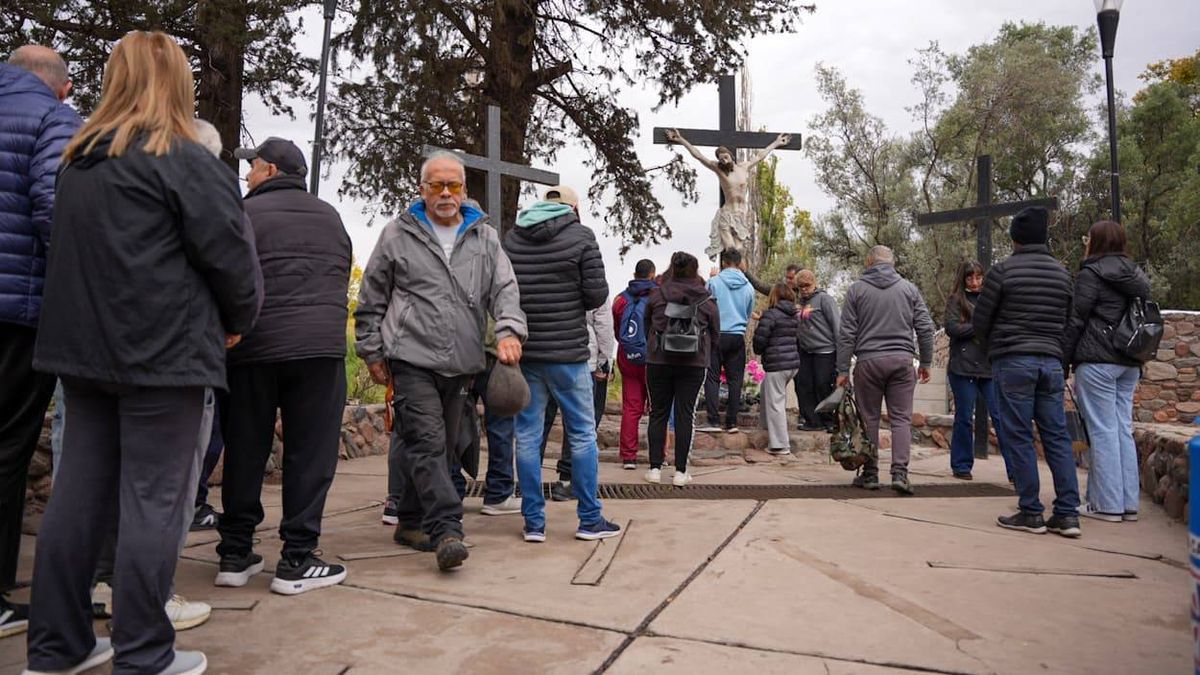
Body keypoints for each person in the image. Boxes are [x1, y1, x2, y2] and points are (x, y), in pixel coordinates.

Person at [26, 31, 261, 674]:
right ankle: (144, 654)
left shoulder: (78, 162)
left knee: (76, 498)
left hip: (83, 354)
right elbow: (234, 261)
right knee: (155, 502)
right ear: (177, 84)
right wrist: (237, 320)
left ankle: (55, 649)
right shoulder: (185, 159)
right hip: (163, 356)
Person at [356, 151, 526, 569]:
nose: (446, 193)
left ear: (465, 190)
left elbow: (505, 289)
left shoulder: (484, 238)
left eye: (453, 185)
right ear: (422, 190)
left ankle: (410, 521)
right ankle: (447, 528)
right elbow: (372, 296)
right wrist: (371, 350)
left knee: (444, 447)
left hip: (463, 362)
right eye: (437, 185)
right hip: (411, 357)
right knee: (429, 443)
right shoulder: (398, 234)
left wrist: (508, 330)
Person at [213, 136, 352, 596]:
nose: (248, 174)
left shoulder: (244, 213)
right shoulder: (330, 216)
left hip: (251, 349)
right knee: (309, 453)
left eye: (252, 166)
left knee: (245, 448)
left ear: (271, 171)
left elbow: (225, 273)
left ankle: (234, 555)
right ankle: (296, 557)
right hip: (317, 351)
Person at [0, 44, 82, 638]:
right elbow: (58, 208)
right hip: (19, 309)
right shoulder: (56, 120)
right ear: (61, 86)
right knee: (7, 448)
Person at [503, 185, 620, 544]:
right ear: (573, 208)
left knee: (527, 436)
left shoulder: (512, 239)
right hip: (569, 354)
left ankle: (534, 523)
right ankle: (589, 519)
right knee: (583, 434)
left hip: (527, 353)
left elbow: (505, 290)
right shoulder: (582, 236)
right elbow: (596, 295)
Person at [973, 206, 1080, 538]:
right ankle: (1067, 515)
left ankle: (1031, 511)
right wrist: (1059, 357)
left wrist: (994, 347)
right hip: (1050, 363)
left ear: (1015, 238)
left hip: (1013, 361)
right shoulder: (1063, 275)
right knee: (1057, 436)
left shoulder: (1003, 272)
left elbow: (981, 321)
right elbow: (1071, 323)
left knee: (1018, 435)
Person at [1064, 220, 1150, 523]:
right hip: (1129, 360)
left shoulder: (1092, 272)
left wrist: (1065, 359)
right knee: (1122, 429)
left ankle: (1106, 505)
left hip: (1098, 359)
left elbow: (1077, 318)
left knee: (1102, 431)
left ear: (1096, 242)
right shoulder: (1135, 274)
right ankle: (1128, 504)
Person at [836, 246, 935, 496]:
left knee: (869, 418)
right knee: (901, 419)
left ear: (869, 263)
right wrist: (925, 362)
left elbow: (846, 333)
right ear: (892, 264)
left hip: (868, 363)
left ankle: (870, 474)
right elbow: (925, 327)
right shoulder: (909, 289)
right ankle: (900, 474)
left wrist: (842, 369)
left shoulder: (857, 290)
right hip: (902, 362)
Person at [644, 252, 720, 485]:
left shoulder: (657, 294)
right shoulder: (706, 300)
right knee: (685, 416)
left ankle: (655, 469)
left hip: (658, 361)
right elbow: (716, 334)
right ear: (695, 271)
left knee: (658, 414)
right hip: (693, 364)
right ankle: (680, 471)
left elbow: (647, 323)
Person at [538, 297, 614, 500]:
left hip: (543, 356)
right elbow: (604, 324)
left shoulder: (545, 274)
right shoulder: (592, 282)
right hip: (580, 360)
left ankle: (530, 478)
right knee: (578, 424)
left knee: (539, 424)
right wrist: (604, 360)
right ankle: (567, 480)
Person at [944, 260, 1009, 482]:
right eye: (970, 278)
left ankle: (1015, 468)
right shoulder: (956, 300)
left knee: (1000, 417)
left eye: (979, 277)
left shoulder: (990, 300)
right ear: (963, 279)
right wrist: (979, 327)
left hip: (989, 366)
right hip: (962, 367)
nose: (975, 282)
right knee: (964, 417)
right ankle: (961, 465)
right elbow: (952, 328)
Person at [700, 248, 755, 433]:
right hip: (737, 335)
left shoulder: (713, 283)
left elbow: (705, 307)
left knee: (712, 377)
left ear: (723, 263)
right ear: (739, 263)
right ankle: (732, 422)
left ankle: (713, 420)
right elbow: (748, 312)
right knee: (735, 379)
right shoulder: (748, 286)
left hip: (716, 333)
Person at [612, 260, 658, 469]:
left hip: (627, 357)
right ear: (653, 274)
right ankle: (659, 455)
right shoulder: (658, 297)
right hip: (654, 357)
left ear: (634, 273)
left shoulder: (620, 299)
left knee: (631, 407)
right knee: (658, 407)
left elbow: (617, 331)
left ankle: (629, 456)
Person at [753, 283, 802, 455]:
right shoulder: (795, 316)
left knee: (776, 404)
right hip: (792, 363)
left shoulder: (771, 315)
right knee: (768, 392)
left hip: (776, 364)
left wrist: (758, 348)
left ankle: (780, 445)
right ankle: (767, 429)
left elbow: (760, 342)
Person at [793, 269, 840, 432]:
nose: (804, 289)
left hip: (825, 351)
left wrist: (842, 355)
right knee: (804, 384)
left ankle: (829, 420)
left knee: (823, 385)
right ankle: (812, 420)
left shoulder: (825, 300)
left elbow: (837, 326)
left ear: (814, 283)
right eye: (801, 286)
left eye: (807, 285)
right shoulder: (799, 303)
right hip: (805, 350)